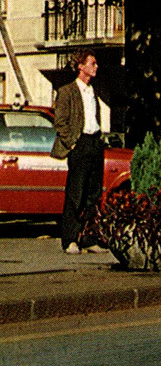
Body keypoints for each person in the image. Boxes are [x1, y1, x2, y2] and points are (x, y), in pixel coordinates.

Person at [51, 49, 108, 254]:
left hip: (95, 142)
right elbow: (60, 122)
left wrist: (100, 139)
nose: (96, 67)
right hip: (80, 143)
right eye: (92, 63)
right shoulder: (67, 91)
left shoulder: (93, 90)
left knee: (93, 194)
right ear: (81, 66)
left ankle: (90, 237)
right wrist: (72, 143)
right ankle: (70, 239)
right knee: (76, 193)